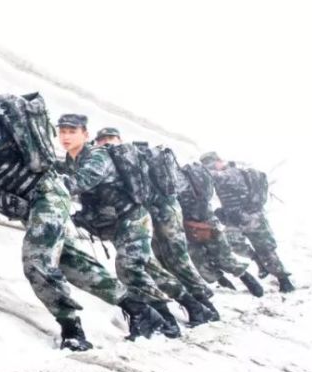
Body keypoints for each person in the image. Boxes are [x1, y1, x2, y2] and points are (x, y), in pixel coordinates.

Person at [0, 70, 164, 348]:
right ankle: (142, 311)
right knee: (72, 264)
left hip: (44, 199)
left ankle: (73, 332)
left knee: (36, 262)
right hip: (42, 199)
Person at [59, 115, 213, 337]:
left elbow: (79, 182)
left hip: (133, 218)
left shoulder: (97, 157)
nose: (66, 136)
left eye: (72, 132)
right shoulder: (73, 159)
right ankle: (192, 308)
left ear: (85, 134)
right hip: (117, 223)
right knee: (147, 269)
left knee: (129, 268)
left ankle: (165, 320)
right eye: (62, 131)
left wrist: (49, 183)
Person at [93, 129, 221, 320]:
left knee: (177, 258)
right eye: (102, 140)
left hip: (165, 209)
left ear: (120, 139)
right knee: (159, 259)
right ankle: (193, 306)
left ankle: (205, 304)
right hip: (147, 213)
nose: (107, 143)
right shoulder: (112, 161)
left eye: (110, 139)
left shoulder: (133, 155)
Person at [201, 152, 295, 293]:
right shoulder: (221, 174)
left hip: (252, 217)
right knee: (233, 243)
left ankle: (284, 280)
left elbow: (218, 177)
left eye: (211, 164)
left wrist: (201, 171)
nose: (210, 168)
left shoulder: (231, 172)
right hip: (234, 218)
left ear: (220, 161)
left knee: (265, 249)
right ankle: (258, 261)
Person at [178, 160, 264, 296]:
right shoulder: (192, 176)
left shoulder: (180, 178)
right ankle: (224, 280)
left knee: (217, 257)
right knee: (201, 258)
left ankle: (245, 277)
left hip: (199, 222)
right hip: (196, 222)